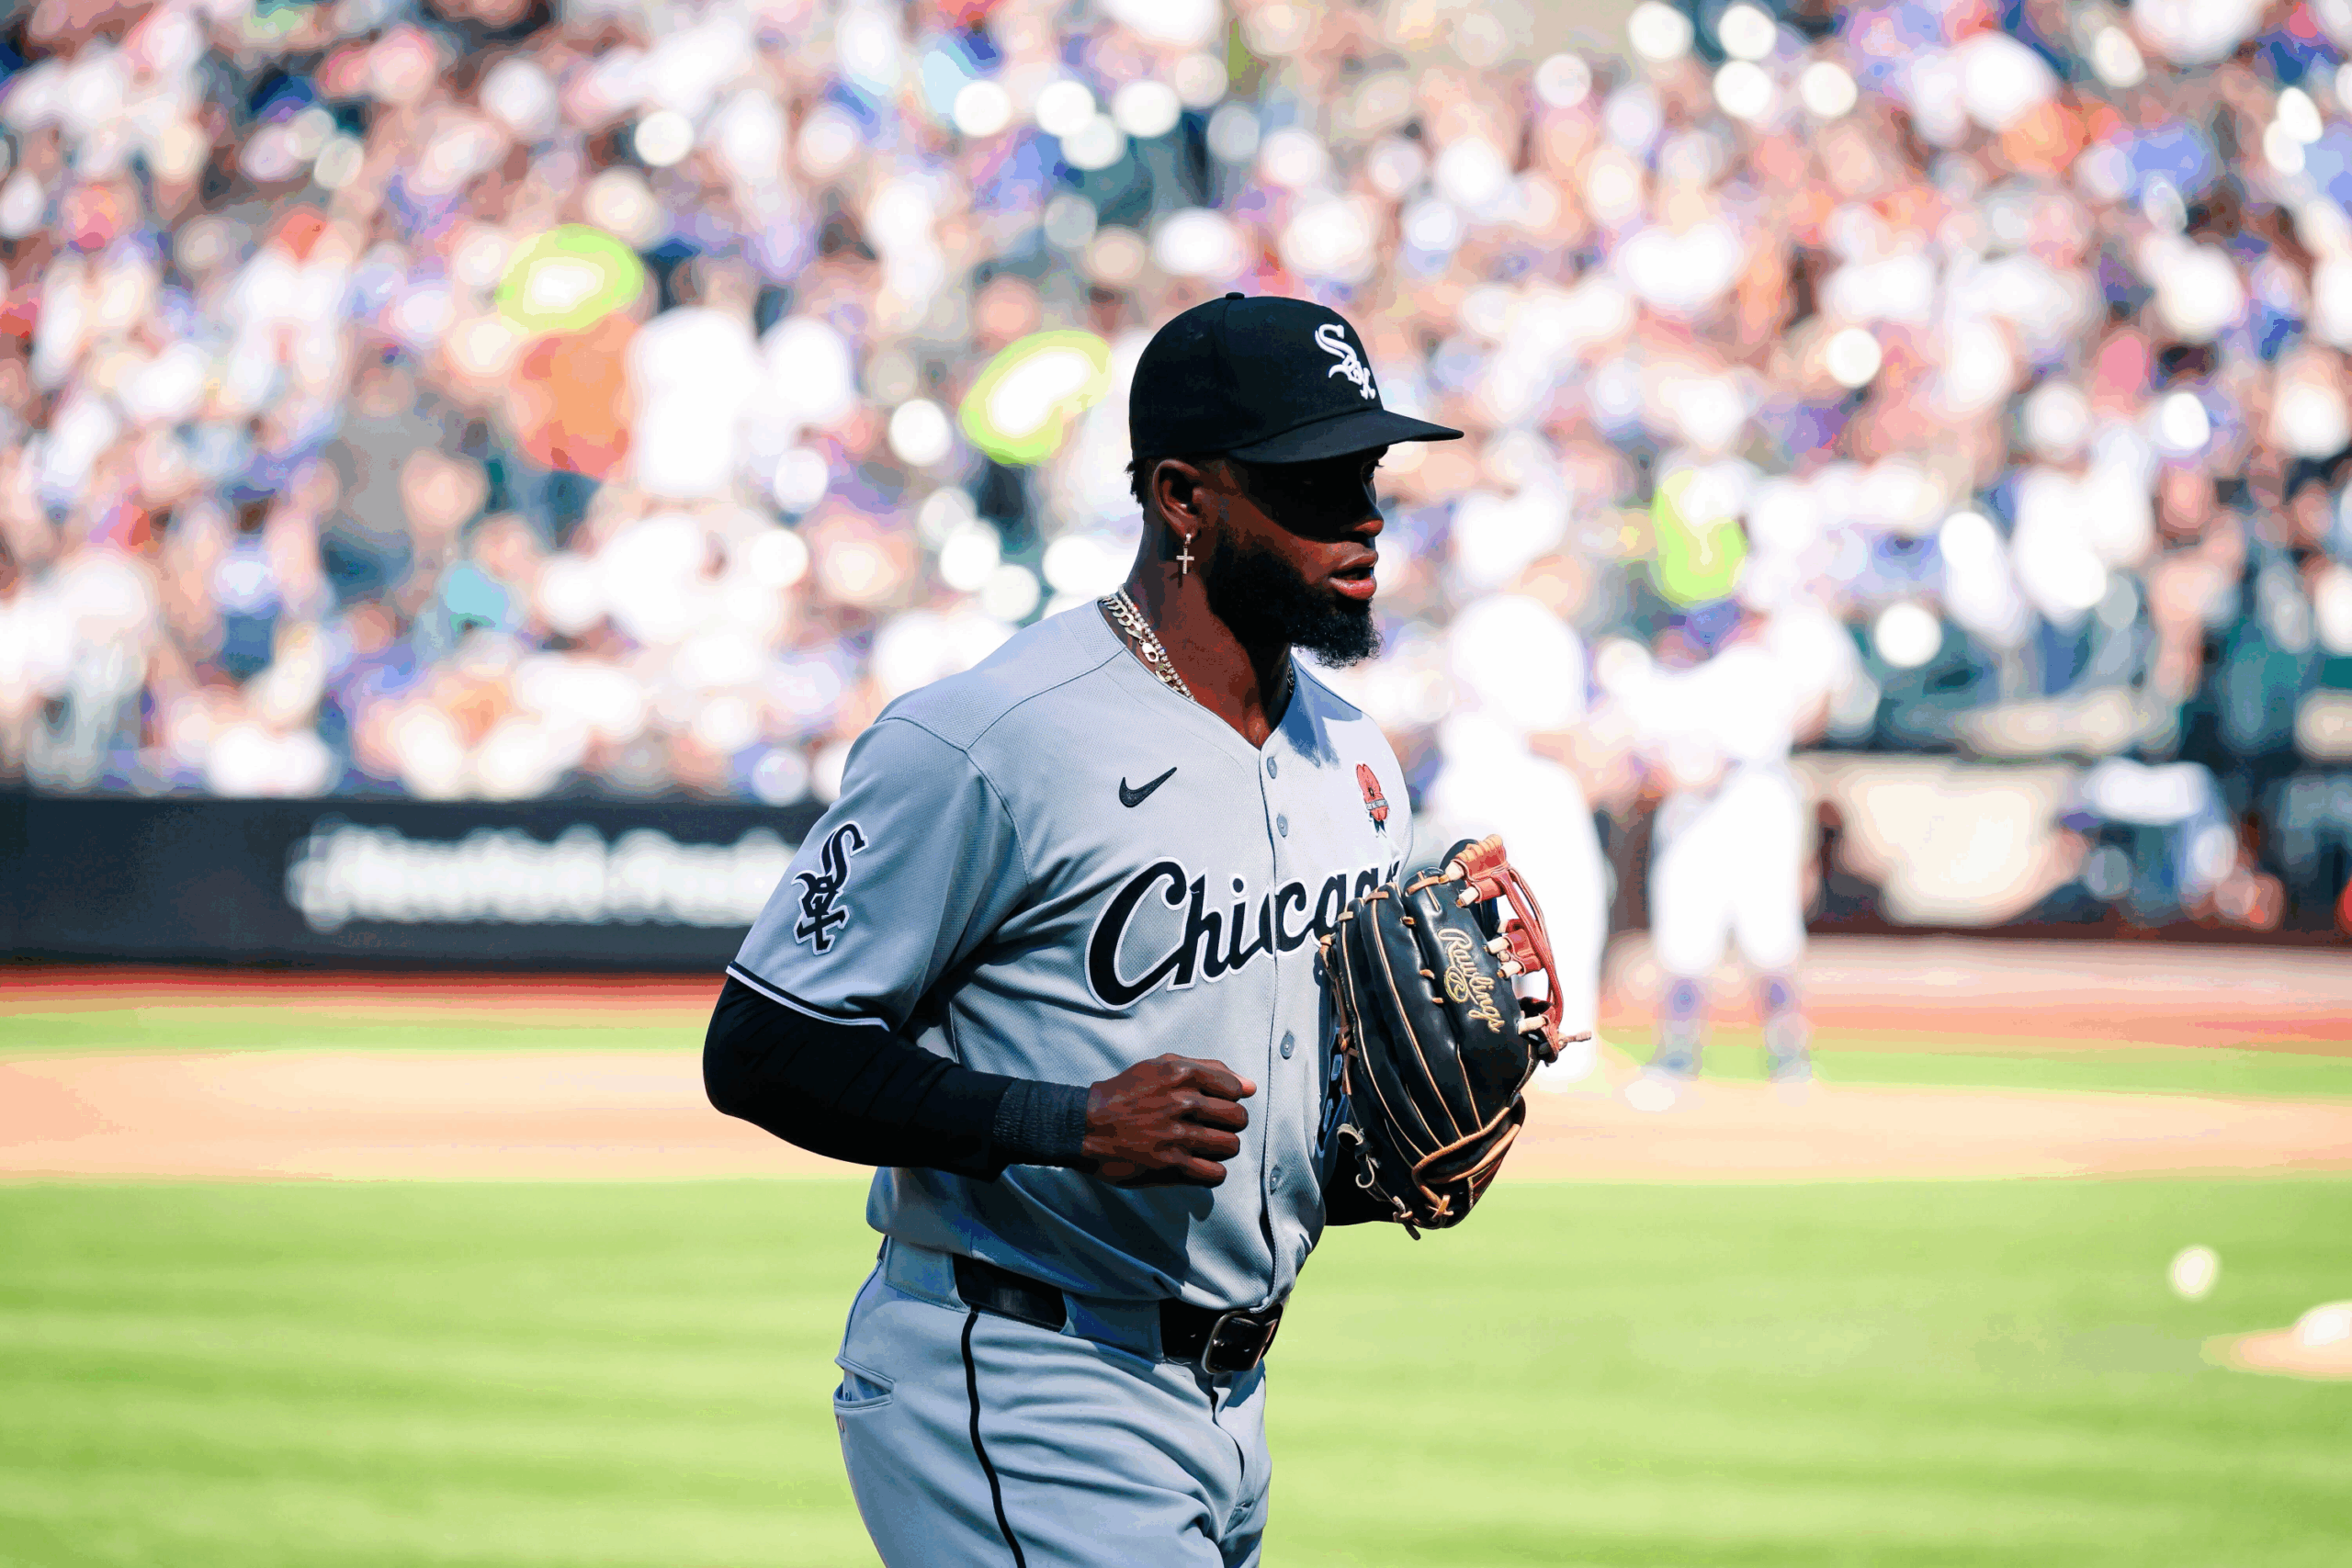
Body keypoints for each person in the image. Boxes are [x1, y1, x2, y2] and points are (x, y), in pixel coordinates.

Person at [703, 293, 1463, 1567]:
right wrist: (1067, 1123)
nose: (1365, 515)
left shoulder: (1355, 756)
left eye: (1368, 472)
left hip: (1230, 1401)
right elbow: (763, 1048)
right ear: (1183, 497)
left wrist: (1384, 1164)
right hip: (1023, 1377)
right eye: (1312, 482)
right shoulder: (994, 738)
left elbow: (1266, 1128)